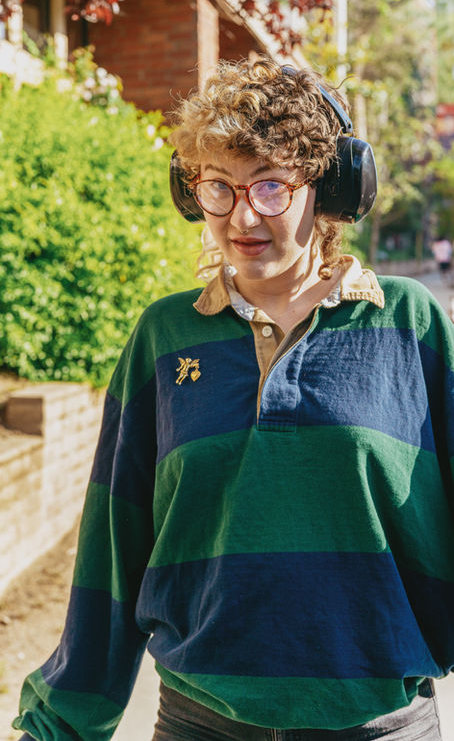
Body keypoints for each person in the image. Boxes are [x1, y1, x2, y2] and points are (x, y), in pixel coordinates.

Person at [13, 58, 454, 741]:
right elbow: (114, 544)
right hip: (199, 722)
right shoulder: (165, 335)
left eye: (271, 186)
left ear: (328, 190)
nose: (242, 214)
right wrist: (60, 725)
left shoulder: (409, 324)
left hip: (381, 725)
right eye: (217, 186)